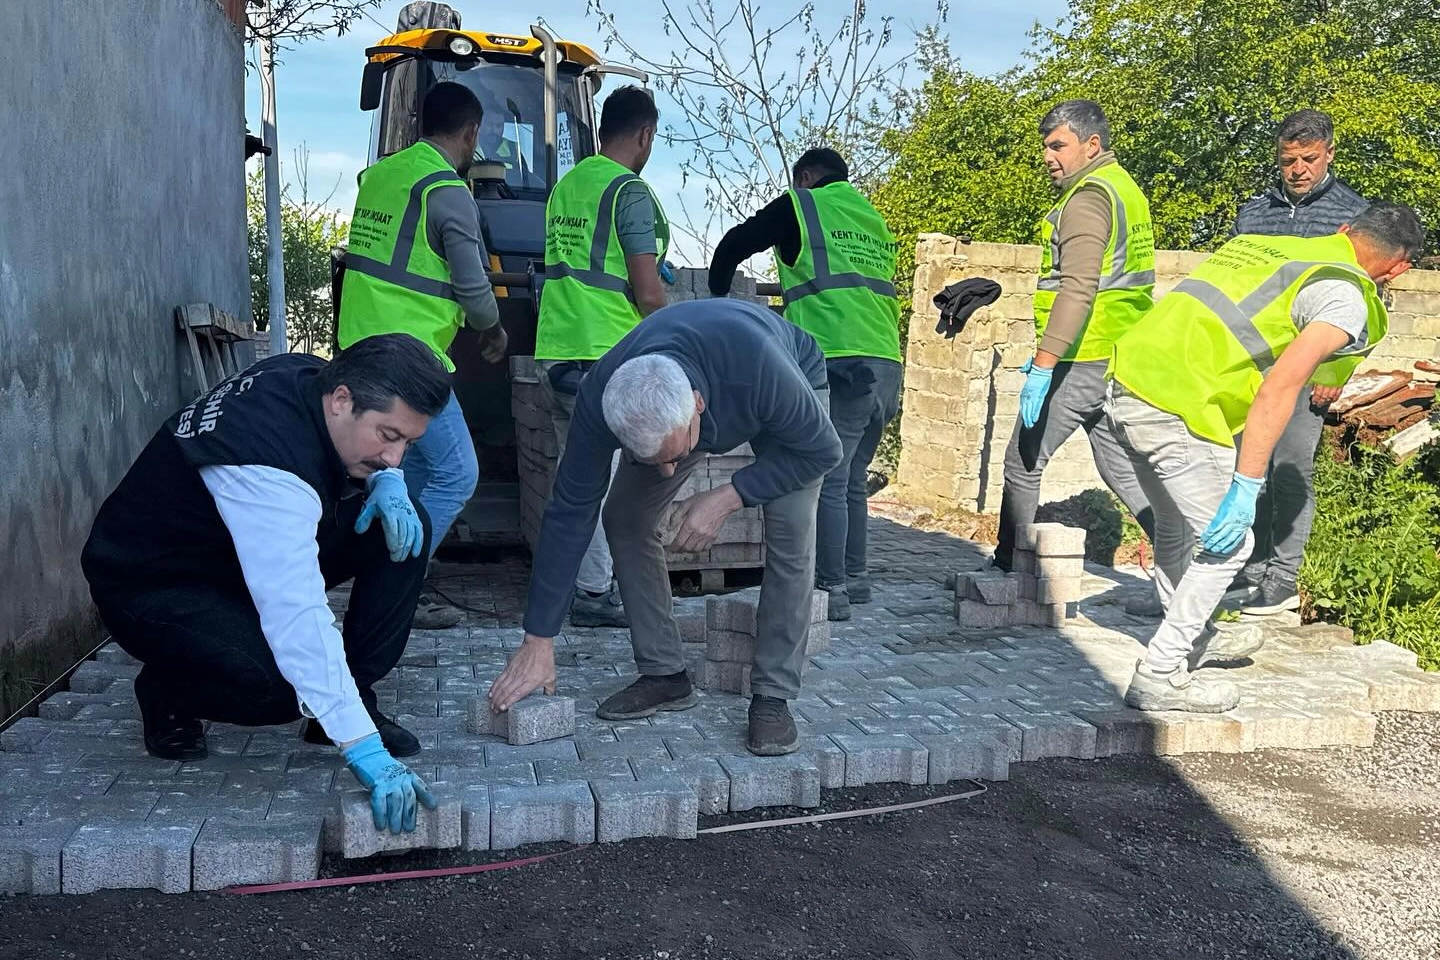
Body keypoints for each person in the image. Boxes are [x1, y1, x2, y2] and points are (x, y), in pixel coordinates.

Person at [81, 335, 455, 835]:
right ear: (343, 400)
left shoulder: (306, 375)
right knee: (280, 687)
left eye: (407, 442)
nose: (395, 456)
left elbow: (361, 468)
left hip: (230, 553)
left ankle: (348, 701)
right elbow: (296, 613)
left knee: (406, 528)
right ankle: (166, 690)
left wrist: (385, 483)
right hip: (152, 581)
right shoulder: (266, 469)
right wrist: (363, 750)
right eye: (388, 435)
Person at [489, 299, 842, 756]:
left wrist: (727, 496)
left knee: (791, 532)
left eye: (677, 456)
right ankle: (665, 674)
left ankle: (773, 696)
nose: (671, 473)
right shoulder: (602, 397)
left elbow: (823, 452)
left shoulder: (758, 367)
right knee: (625, 516)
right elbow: (569, 512)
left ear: (697, 405)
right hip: (689, 402)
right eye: (658, 461)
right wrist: (538, 639)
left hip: (790, 393)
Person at [1107, 203, 1422, 713]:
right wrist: (1248, 485)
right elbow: (1281, 387)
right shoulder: (1343, 295)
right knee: (1231, 544)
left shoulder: (1269, 247)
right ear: (1398, 268)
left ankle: (1195, 633)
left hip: (1127, 383)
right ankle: (1161, 671)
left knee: (1174, 525)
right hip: (1180, 407)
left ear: (1344, 231)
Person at [338, 81, 507, 629]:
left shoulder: (382, 176)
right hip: (408, 360)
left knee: (399, 471)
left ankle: (381, 575)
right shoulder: (446, 189)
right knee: (457, 473)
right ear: (471, 131)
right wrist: (493, 330)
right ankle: (395, 588)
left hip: (358, 345)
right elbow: (475, 290)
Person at [708, 148, 901, 622]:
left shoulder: (803, 204)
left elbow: (735, 243)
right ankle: (854, 579)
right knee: (853, 477)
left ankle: (829, 588)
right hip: (886, 361)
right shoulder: (871, 218)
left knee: (826, 480)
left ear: (807, 176)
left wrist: (713, 302)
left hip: (837, 360)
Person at [994, 100, 1156, 582]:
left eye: (1058, 145)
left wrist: (1045, 364)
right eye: (1045, 147)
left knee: (1022, 460)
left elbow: (1079, 286)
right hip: (1118, 353)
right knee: (1121, 469)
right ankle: (1185, 557)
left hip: (1081, 356)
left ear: (1092, 145)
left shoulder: (1088, 197)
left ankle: (1011, 569)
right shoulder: (1125, 190)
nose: (1048, 156)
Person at [534, 85, 671, 630]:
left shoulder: (566, 187)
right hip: (609, 356)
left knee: (580, 477)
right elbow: (647, 291)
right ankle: (595, 590)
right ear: (644, 134)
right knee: (617, 482)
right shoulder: (629, 191)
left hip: (561, 352)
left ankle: (579, 584)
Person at [1229, 109, 1371, 615]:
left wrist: (1335, 371)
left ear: (1330, 153)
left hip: (1311, 364)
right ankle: (1247, 570)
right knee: (1250, 468)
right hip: (1254, 363)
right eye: (1289, 160)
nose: (1298, 169)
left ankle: (1283, 579)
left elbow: (1364, 299)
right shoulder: (1253, 214)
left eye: (1309, 159)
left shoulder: (1354, 216)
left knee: (1290, 469)